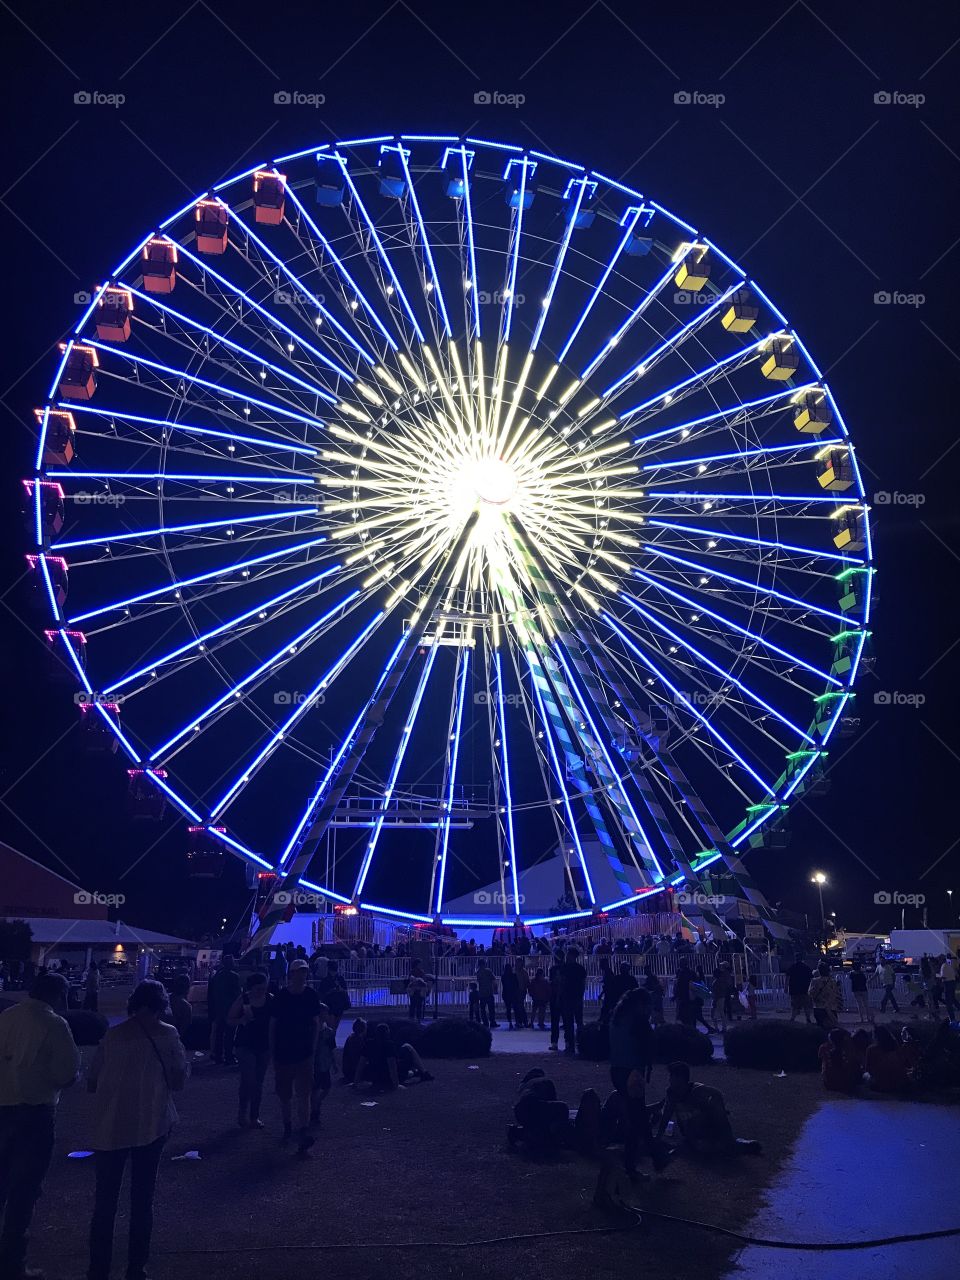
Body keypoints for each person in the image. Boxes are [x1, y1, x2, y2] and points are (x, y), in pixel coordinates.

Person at [86, 980, 187, 1280]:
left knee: (105, 1203)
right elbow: (178, 1080)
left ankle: (98, 1269)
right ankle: (136, 1268)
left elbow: (93, 1079)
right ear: (160, 1005)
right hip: (151, 1122)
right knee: (143, 1200)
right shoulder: (168, 1035)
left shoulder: (113, 1035)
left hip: (111, 1124)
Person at [0, 972, 80, 1280]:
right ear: (59, 995)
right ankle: (12, 1261)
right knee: (25, 1187)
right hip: (34, 1113)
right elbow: (66, 1073)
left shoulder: (7, 1017)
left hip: (2, 1108)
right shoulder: (54, 1024)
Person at [608, 990, 670, 1178]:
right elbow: (650, 1046)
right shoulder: (639, 1021)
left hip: (617, 1071)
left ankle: (655, 1157)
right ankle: (636, 1164)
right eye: (648, 1004)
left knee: (637, 1115)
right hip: (633, 1073)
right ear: (640, 1004)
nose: (650, 1007)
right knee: (637, 1119)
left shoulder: (617, 1018)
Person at [269, 959, 321, 1155]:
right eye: (299, 972)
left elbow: (315, 1023)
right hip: (285, 1052)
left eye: (304, 972)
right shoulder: (284, 996)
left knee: (302, 1093)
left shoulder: (308, 995)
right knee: (286, 1094)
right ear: (292, 974)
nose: (302, 975)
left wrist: (313, 1048)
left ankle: (300, 1127)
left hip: (301, 1052)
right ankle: (290, 1125)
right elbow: (273, 1025)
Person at [656, 1061, 761, 1156]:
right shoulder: (671, 1094)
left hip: (708, 1132)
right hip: (692, 1135)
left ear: (681, 1078)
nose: (669, 1079)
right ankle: (729, 1145)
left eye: (672, 1076)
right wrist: (658, 1137)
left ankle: (733, 1143)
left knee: (712, 1147)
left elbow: (717, 1097)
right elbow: (666, 1116)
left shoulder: (699, 1091)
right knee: (700, 1147)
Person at [227, 972, 273, 1128]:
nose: (261, 992)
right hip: (245, 1044)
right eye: (258, 989)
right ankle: (243, 1113)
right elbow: (230, 1019)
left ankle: (254, 1115)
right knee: (248, 1079)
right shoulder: (243, 1000)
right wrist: (242, 1020)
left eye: (263, 988)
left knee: (258, 1081)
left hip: (264, 1044)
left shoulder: (270, 999)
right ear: (251, 988)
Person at [352, 1023, 432, 1090]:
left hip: (375, 1077)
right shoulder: (389, 1045)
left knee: (409, 1068)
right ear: (387, 1033)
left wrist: (355, 1082)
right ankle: (423, 1072)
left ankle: (417, 1072)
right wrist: (396, 1085)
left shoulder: (368, 1044)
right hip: (388, 1077)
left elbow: (360, 1065)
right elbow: (392, 1067)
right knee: (408, 1048)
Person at [206, 953, 241, 1065]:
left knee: (219, 1034)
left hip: (218, 1009)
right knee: (230, 1035)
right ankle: (229, 1056)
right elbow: (237, 994)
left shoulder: (217, 976)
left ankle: (218, 1056)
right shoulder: (234, 976)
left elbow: (211, 993)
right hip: (230, 1009)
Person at [864, 1024, 918, 1094]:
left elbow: (868, 1069)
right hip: (900, 1082)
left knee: (865, 1075)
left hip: (883, 1084)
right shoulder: (895, 1046)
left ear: (875, 1036)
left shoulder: (871, 1049)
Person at [310, 1005, 337, 1127]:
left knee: (323, 1088)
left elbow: (331, 1049)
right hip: (319, 1063)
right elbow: (331, 1049)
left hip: (322, 1063)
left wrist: (334, 1063)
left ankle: (315, 1106)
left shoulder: (327, 1032)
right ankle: (315, 1111)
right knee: (319, 1088)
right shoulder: (326, 1032)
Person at [560, 948, 587, 1055]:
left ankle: (570, 1045)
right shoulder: (580, 969)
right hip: (576, 997)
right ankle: (582, 1044)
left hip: (568, 997)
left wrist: (560, 996)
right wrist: (581, 995)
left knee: (568, 1022)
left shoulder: (565, 968)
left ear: (571, 955)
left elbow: (562, 982)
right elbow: (583, 984)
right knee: (579, 1021)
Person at [818, 1027, 861, 1094]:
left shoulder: (824, 1047)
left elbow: (820, 1059)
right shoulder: (846, 1050)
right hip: (845, 1083)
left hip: (829, 1082)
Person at [317, 960, 351, 1028]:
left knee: (332, 1025)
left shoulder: (326, 980)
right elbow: (345, 990)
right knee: (334, 1025)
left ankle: (331, 1034)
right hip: (338, 1004)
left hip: (331, 1004)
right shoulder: (340, 978)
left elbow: (321, 993)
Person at [808, 963, 842, 1030]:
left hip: (819, 1007)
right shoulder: (833, 981)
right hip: (831, 1007)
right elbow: (837, 994)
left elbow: (810, 993)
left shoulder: (815, 981)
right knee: (833, 1028)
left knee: (821, 1028)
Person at [165, 973, 193, 1042]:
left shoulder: (165, 999)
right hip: (174, 1040)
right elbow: (184, 1028)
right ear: (187, 988)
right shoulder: (186, 1006)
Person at [786, 957, 813, 1023]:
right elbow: (811, 978)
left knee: (794, 1005)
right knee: (806, 1005)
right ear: (802, 960)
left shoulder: (792, 967)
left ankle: (792, 1018)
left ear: (795, 959)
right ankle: (808, 1018)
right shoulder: (806, 967)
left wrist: (786, 987)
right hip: (805, 989)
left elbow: (787, 978)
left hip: (794, 989)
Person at [341, 1018, 368, 1085]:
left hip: (347, 1069)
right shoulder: (357, 1040)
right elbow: (356, 1058)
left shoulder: (350, 1037)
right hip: (352, 1071)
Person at [710, 964, 735, 1032]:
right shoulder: (723, 981)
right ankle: (723, 1027)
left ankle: (717, 1028)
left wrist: (714, 1000)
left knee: (713, 1014)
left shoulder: (716, 982)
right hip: (722, 997)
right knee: (721, 1013)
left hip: (717, 998)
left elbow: (716, 992)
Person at [547, 956, 564, 1051]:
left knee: (554, 1021)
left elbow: (551, 983)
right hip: (564, 998)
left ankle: (554, 1043)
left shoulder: (552, 969)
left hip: (554, 998)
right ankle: (569, 1043)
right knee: (567, 1021)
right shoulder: (565, 969)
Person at [476, 961, 498, 1028]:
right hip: (489, 992)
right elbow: (494, 979)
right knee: (491, 1009)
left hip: (482, 993)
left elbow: (478, 981)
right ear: (484, 964)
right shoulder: (488, 971)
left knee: (483, 1009)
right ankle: (492, 1022)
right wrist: (495, 988)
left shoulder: (478, 972)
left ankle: (485, 1022)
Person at [500, 962, 521, 1030]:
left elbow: (504, 985)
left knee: (508, 1008)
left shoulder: (503, 976)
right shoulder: (514, 975)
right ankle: (517, 1021)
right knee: (515, 1008)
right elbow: (517, 985)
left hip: (506, 994)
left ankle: (510, 1022)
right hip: (513, 994)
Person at [514, 962, 529, 1027]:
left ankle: (523, 1021)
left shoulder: (524, 972)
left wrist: (525, 989)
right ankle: (520, 1021)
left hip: (521, 990)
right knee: (517, 1006)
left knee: (520, 1006)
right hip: (516, 991)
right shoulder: (515, 971)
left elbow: (526, 981)